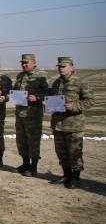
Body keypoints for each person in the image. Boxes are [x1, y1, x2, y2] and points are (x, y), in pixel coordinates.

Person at [48, 57, 95, 189]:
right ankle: (66, 175)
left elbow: (90, 100)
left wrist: (74, 106)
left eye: (64, 66)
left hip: (74, 124)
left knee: (75, 152)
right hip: (58, 123)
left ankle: (76, 177)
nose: (61, 68)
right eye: (59, 66)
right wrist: (48, 104)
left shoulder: (80, 82)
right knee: (61, 151)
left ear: (72, 67)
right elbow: (53, 99)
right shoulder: (57, 83)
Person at [9, 54, 49, 177]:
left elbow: (49, 92)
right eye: (23, 63)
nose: (24, 65)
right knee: (21, 140)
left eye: (27, 62)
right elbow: (16, 90)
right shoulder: (20, 76)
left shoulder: (42, 76)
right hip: (20, 114)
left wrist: (37, 97)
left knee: (33, 141)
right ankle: (25, 164)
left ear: (34, 63)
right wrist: (12, 95)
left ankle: (33, 166)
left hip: (33, 114)